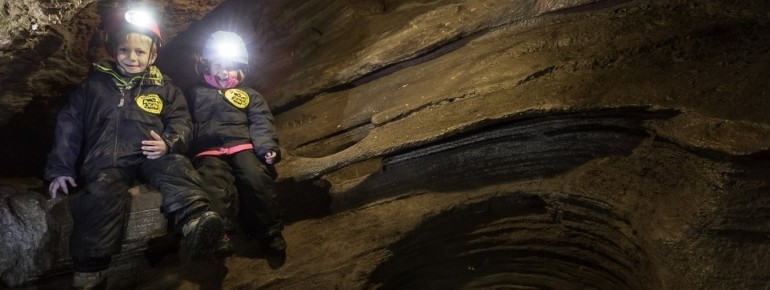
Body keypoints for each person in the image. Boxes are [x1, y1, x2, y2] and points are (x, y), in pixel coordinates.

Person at [44, 9, 224, 289]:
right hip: (108, 160)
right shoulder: (94, 86)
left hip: (151, 155)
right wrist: (61, 169)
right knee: (100, 194)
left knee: (176, 166)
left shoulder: (165, 87)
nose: (132, 57)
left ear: (153, 56)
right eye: (124, 49)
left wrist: (168, 143)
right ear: (113, 49)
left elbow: (182, 122)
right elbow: (69, 126)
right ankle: (91, 270)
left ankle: (196, 220)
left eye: (140, 52)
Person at [185, 31, 286, 258]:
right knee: (213, 184)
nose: (223, 71)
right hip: (208, 150)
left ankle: (269, 232)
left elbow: (261, 121)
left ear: (241, 69)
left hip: (242, 147)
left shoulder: (249, 95)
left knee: (256, 179)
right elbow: (184, 121)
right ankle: (220, 234)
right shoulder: (194, 94)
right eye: (218, 65)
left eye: (230, 66)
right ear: (206, 66)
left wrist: (266, 147)